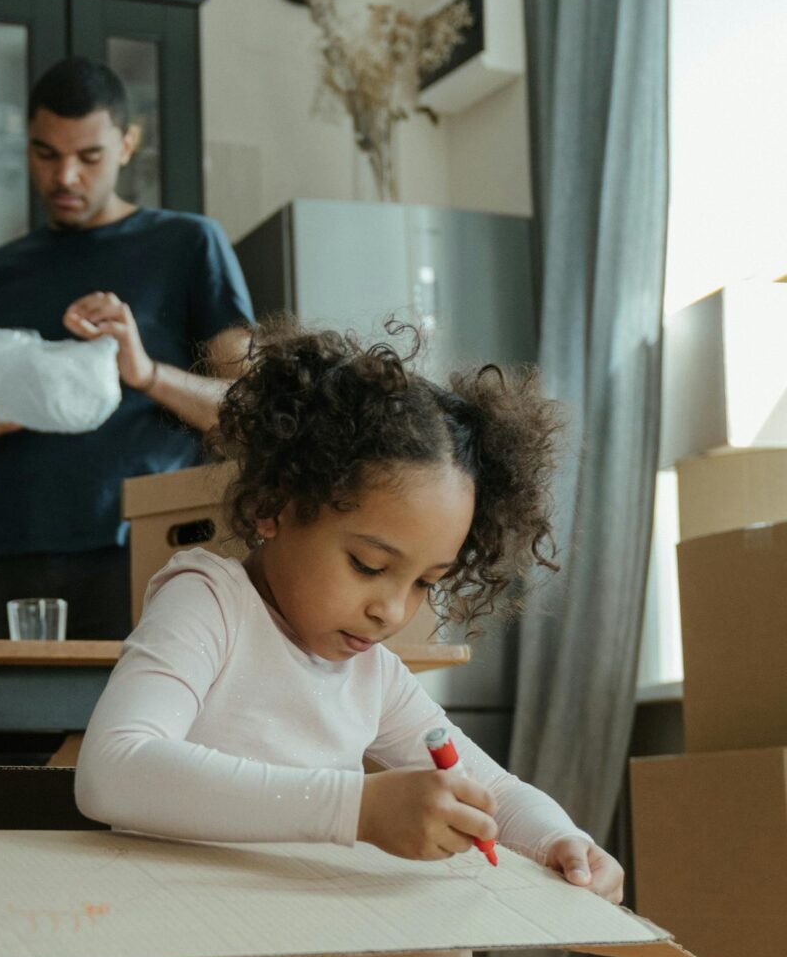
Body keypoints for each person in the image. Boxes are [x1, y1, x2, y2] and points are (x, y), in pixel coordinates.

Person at [75, 322, 625, 898]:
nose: (391, 611)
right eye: (367, 564)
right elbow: (113, 771)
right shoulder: (209, 601)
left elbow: (497, 794)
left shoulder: (372, 673)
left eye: (424, 583)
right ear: (273, 507)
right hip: (176, 920)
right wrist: (356, 808)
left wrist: (563, 841)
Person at [0, 56, 254, 640]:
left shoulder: (189, 245)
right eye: (45, 153)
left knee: (135, 735)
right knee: (13, 736)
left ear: (128, 144)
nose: (64, 177)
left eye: (88, 157)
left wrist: (146, 373)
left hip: (143, 553)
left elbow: (250, 410)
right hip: (8, 557)